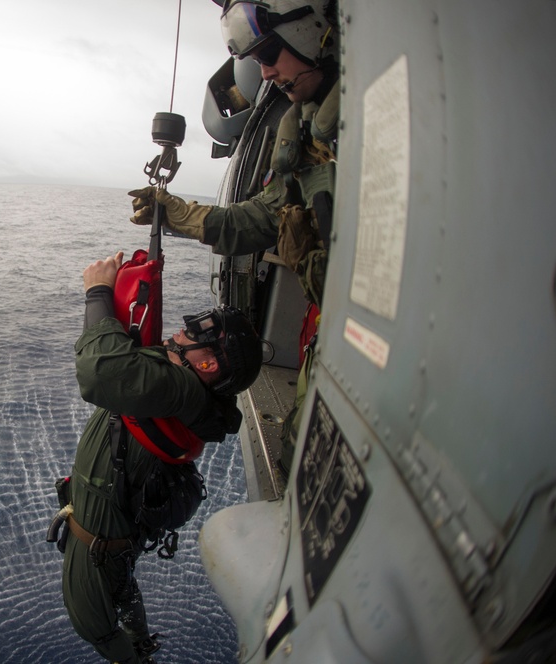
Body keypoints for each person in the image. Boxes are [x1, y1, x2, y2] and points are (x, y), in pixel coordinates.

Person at [130, 0, 340, 465]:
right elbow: (256, 219)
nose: (266, 73)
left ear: (309, 34)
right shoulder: (307, 138)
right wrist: (175, 213)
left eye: (269, 56)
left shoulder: (382, 123)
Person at [59, 251, 262, 663]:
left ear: (206, 364)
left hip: (98, 545)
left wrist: (98, 291)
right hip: (113, 538)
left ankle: (133, 658)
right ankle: (141, 641)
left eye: (193, 335)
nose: (180, 334)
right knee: (123, 589)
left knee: (93, 624)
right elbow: (138, 362)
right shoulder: (186, 391)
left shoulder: (179, 389)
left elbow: (98, 371)